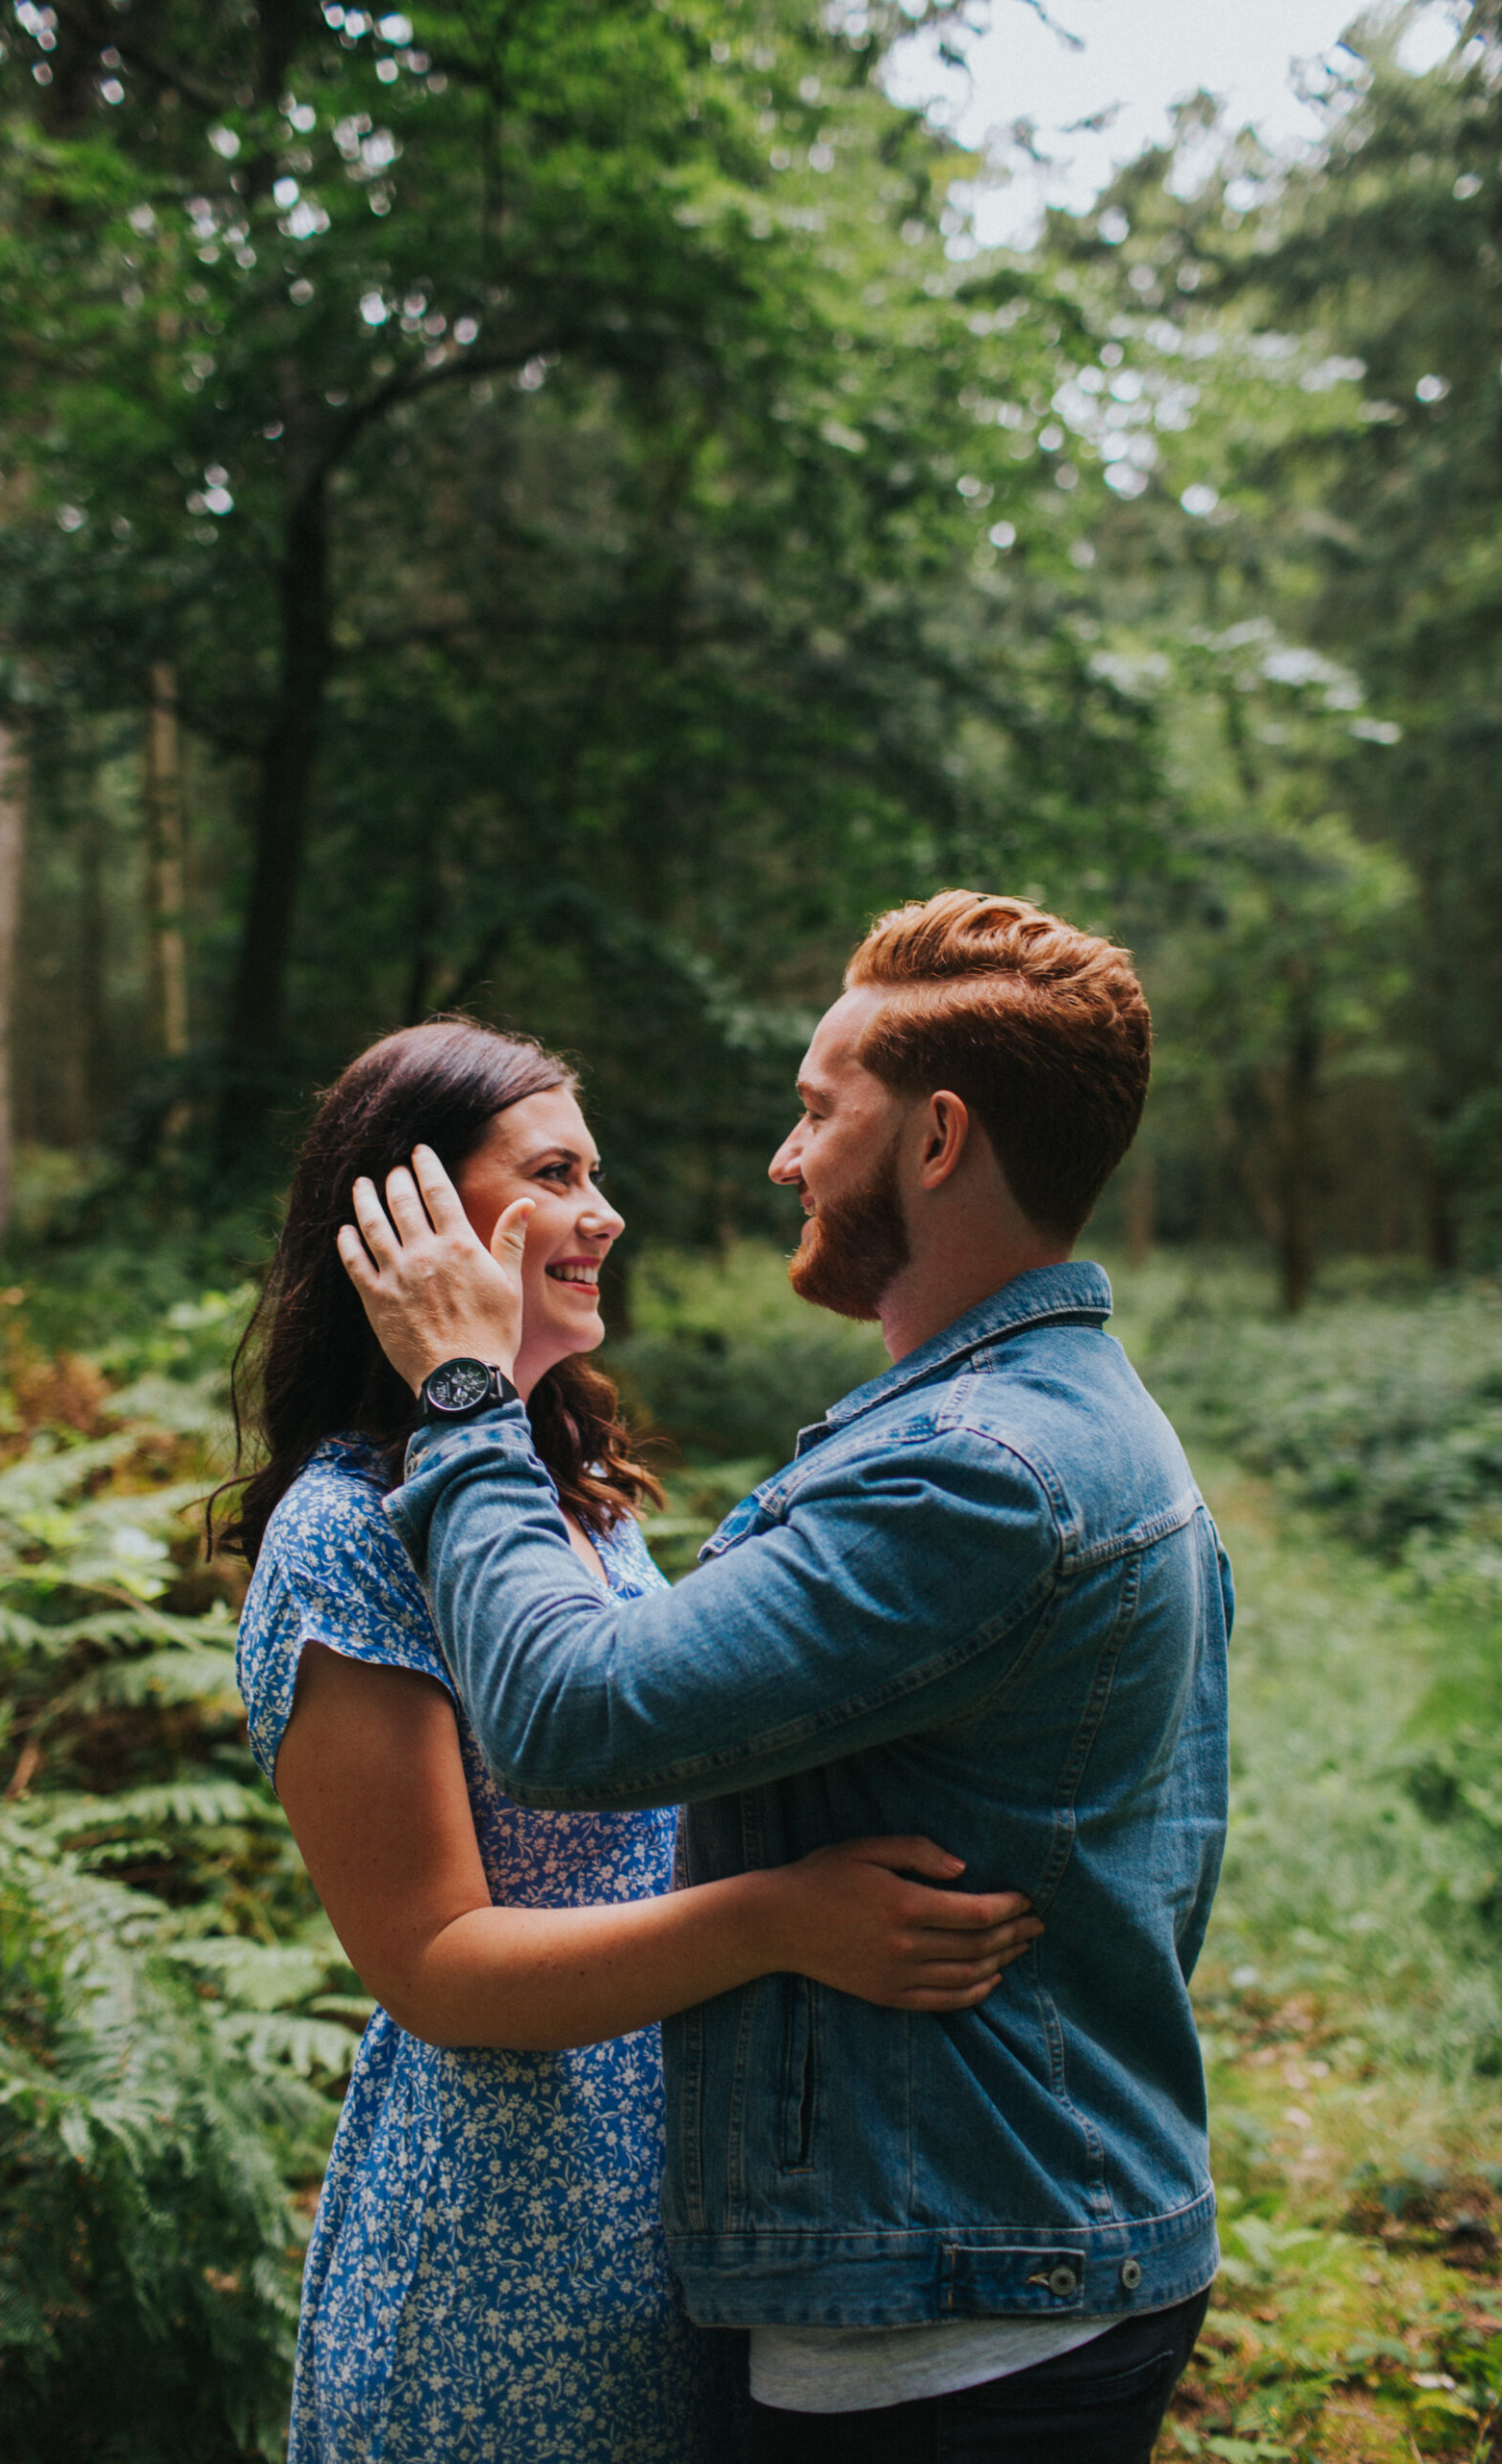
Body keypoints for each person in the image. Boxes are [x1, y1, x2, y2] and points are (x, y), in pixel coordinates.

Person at [339, 891, 1234, 2464]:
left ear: (938, 1139)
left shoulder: (973, 1472)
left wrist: (466, 1395)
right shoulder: (1062, 1422)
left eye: (821, 1112)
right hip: (986, 2257)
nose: (785, 1155)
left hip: (949, 2319)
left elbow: (570, 1712)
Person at [225, 1016, 1045, 2464]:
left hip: (673, 2197)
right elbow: (435, 1967)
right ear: (411, 1212)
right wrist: (790, 1919)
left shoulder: (574, 1494)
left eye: (597, 1170)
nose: (607, 1213)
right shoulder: (346, 1532)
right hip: (501, 2236)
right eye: (556, 1171)